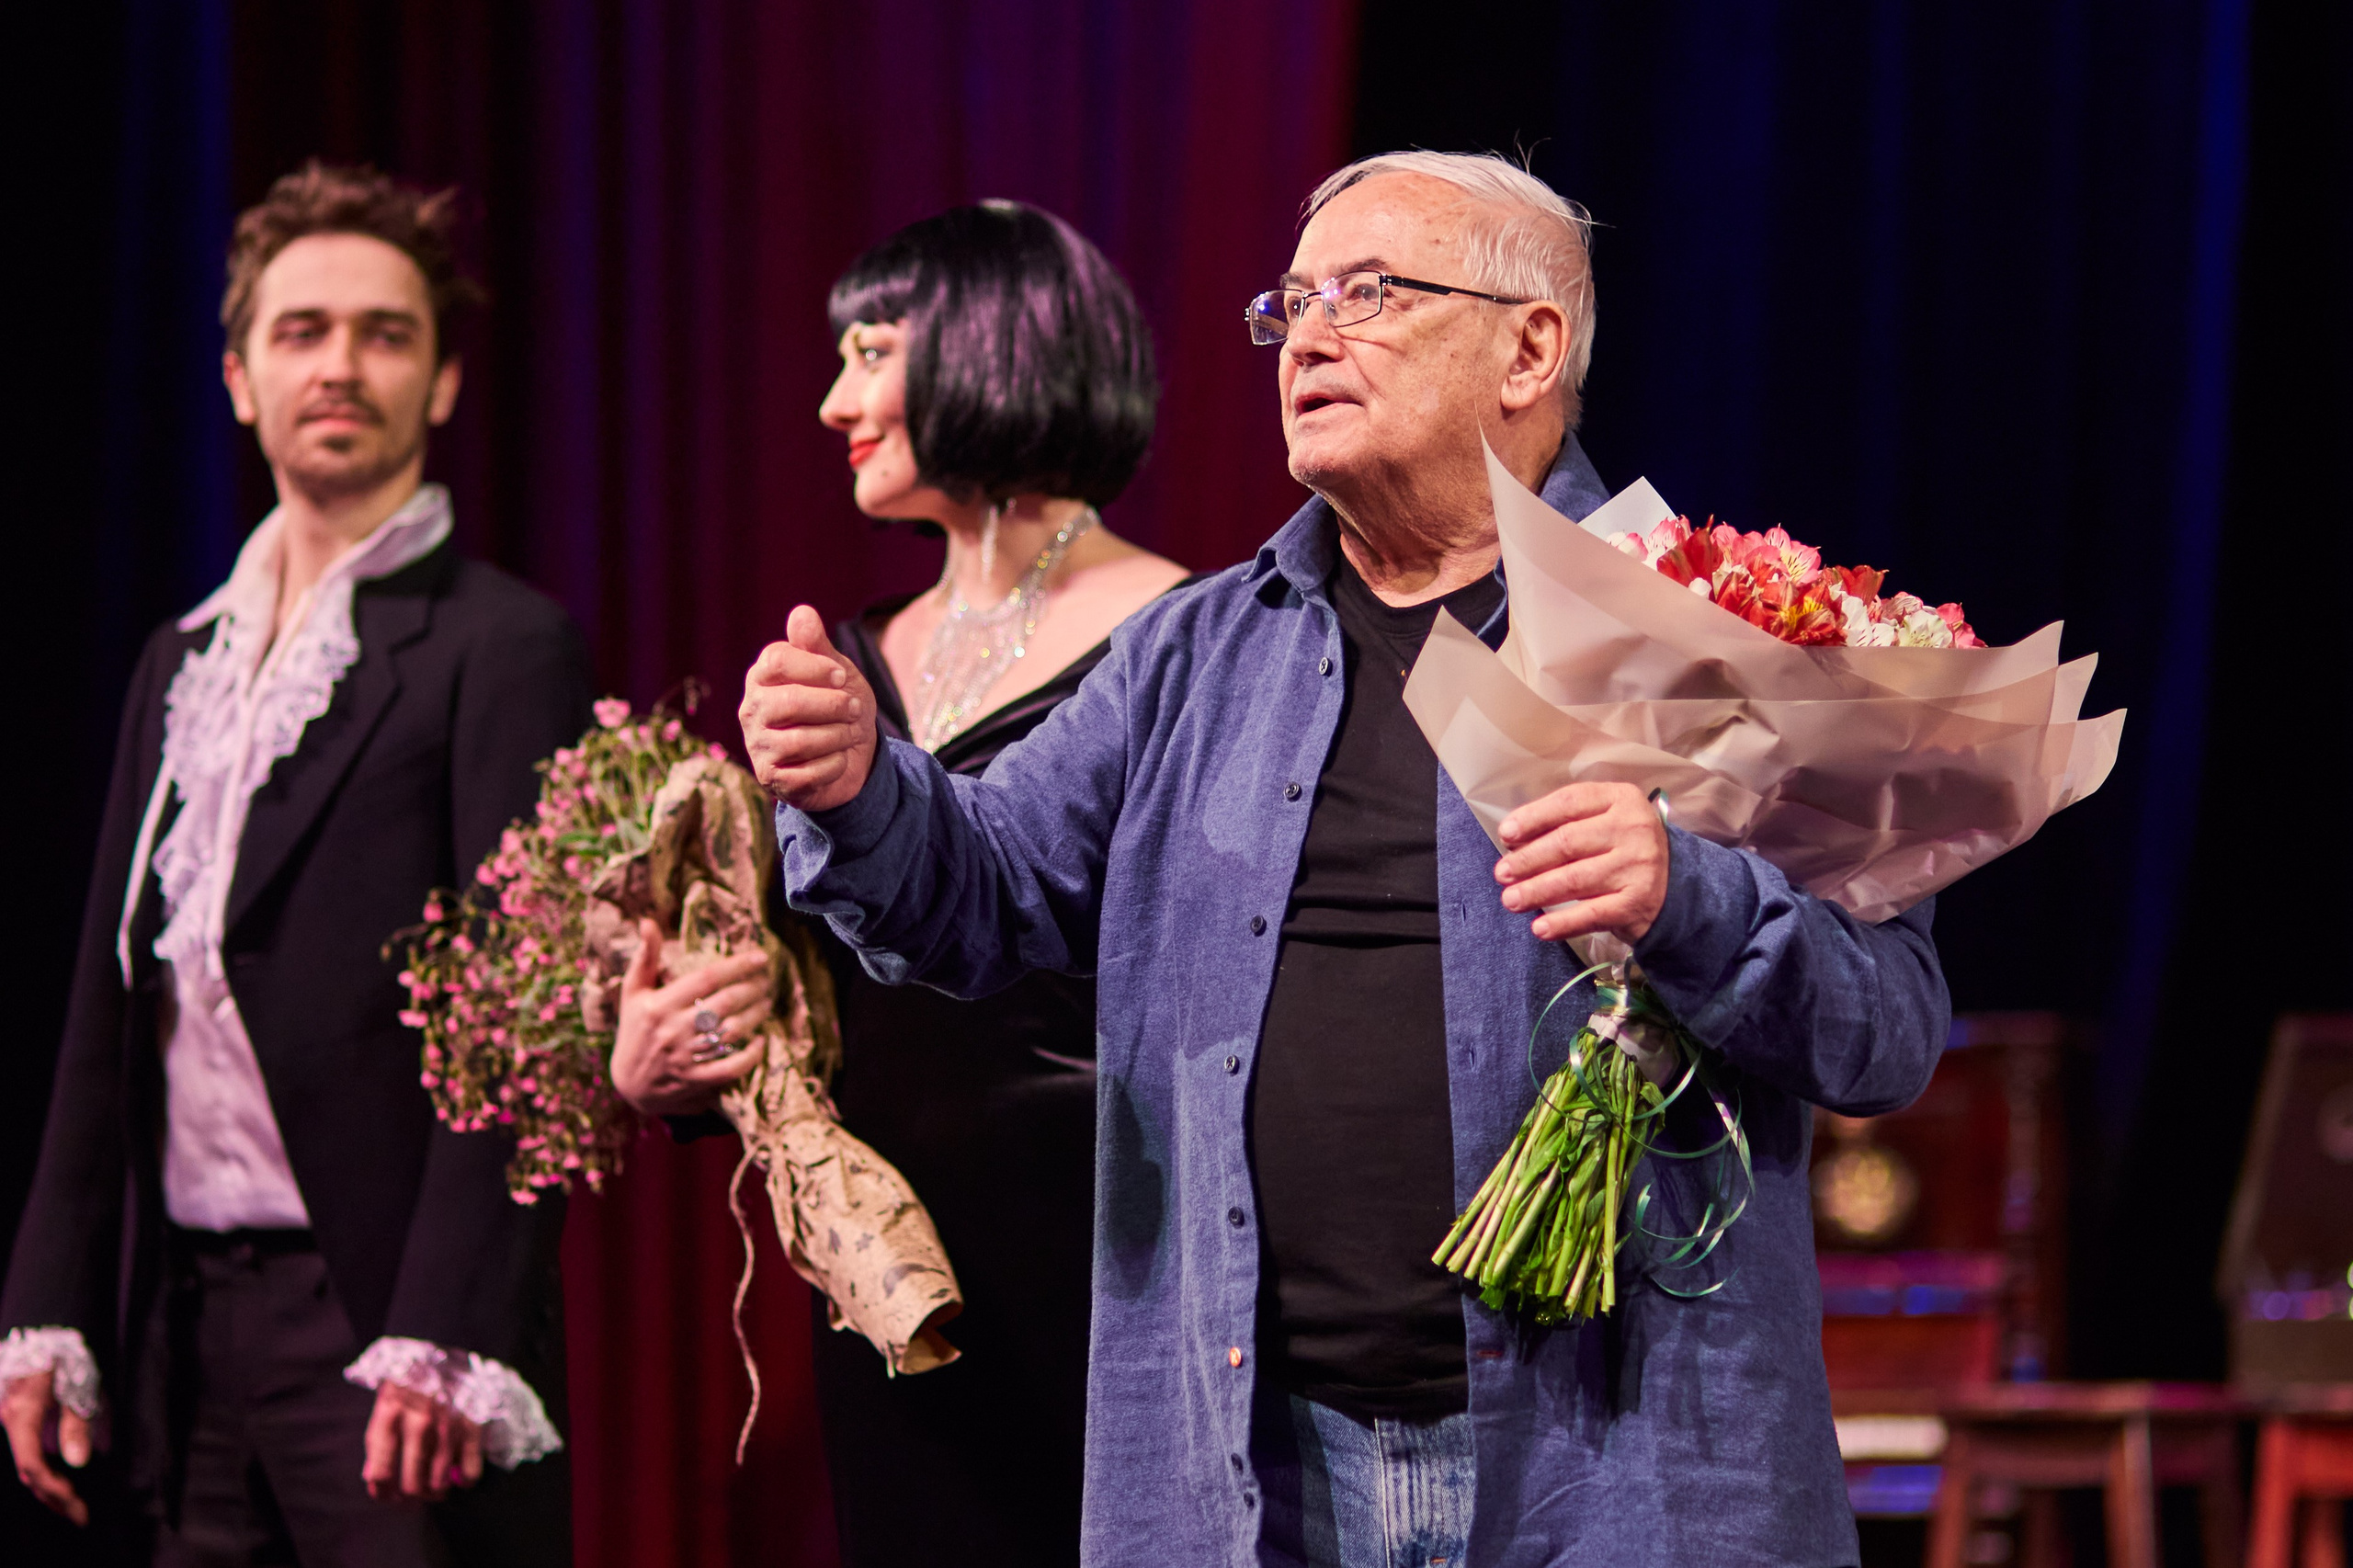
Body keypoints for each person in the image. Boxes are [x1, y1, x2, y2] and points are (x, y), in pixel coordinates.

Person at [739, 151, 1952, 1567]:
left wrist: (1688, 897)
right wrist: (865, 782)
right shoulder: (1196, 654)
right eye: (1290, 305)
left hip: (1613, 1479)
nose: (1306, 336)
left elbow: (1888, 1031)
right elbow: (986, 890)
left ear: (1530, 345)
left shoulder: (1698, 630)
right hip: (1260, 1479)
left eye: (1368, 294)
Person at [1, 162, 588, 1565]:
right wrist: (46, 1301)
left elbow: (533, 1016)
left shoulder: (501, 646)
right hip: (184, 1321)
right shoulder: (178, 660)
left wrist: (446, 1325)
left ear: (442, 383)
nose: (342, 364)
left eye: (387, 333)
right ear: (238, 376)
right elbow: (106, 1010)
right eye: (303, 330)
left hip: (383, 1319)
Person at [609, 200, 1188, 1566]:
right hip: (900, 1271)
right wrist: (675, 1058)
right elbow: (818, 983)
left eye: (871, 353)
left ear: (996, 345)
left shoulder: (1184, 634)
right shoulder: (848, 656)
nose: (832, 403)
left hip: (1119, 1256)